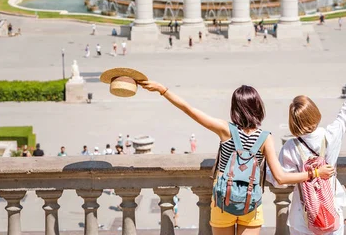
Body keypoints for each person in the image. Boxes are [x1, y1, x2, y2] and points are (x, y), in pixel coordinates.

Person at [139, 80, 334, 233]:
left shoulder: (225, 130)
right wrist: (315, 172)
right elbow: (281, 178)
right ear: (258, 106)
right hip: (251, 207)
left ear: (235, 108)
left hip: (223, 204)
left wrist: (162, 89)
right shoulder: (265, 138)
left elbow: (189, 110)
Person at [268, 63, 346, 235]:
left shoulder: (290, 147)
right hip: (331, 213)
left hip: (302, 217)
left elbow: (278, 179)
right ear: (315, 114)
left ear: (293, 122)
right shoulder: (331, 135)